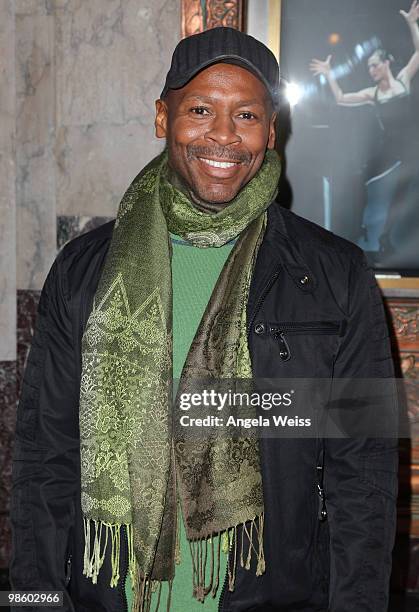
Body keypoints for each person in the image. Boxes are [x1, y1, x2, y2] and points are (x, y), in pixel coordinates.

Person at [10, 26, 398, 612]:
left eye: (245, 115)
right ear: (163, 118)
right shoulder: (85, 269)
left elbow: (363, 475)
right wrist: (32, 603)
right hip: (107, 594)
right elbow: (44, 457)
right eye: (199, 110)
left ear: (271, 131)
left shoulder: (335, 275)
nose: (222, 135)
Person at [309, 0, 419, 256]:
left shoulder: (403, 82)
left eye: (374, 65)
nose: (370, 70)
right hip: (389, 150)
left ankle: (388, 238)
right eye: (368, 67)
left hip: (410, 149)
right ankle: (357, 229)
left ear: (386, 64)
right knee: (360, 177)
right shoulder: (372, 93)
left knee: (402, 194)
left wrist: (413, 23)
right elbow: (341, 99)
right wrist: (328, 74)